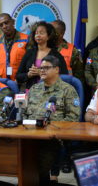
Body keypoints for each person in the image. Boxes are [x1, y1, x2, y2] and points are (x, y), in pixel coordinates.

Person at [25, 55, 80, 186]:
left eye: (46, 68)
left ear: (56, 69)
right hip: (29, 135)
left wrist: (54, 130)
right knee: (18, 155)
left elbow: (73, 118)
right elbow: (24, 113)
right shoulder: (34, 89)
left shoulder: (67, 90)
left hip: (52, 138)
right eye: (41, 68)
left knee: (39, 163)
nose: (42, 70)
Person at [16, 21, 68, 90]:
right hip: (31, 92)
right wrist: (28, 75)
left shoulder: (56, 55)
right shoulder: (29, 53)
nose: (38, 35)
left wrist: (41, 73)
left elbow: (64, 77)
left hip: (51, 92)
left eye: (41, 33)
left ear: (48, 36)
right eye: (36, 33)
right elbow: (18, 76)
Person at [0, 13, 28, 81]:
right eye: (1, 25)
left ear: (13, 22)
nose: (4, 26)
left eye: (6, 23)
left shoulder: (26, 39)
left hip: (21, 82)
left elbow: (30, 63)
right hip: (0, 83)